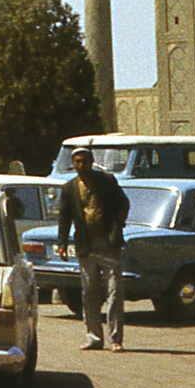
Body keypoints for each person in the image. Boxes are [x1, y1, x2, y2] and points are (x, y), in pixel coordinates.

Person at [57, 145, 131, 352]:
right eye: (77, 162)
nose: (81, 165)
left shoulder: (107, 181)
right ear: (73, 164)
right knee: (89, 292)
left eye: (85, 161)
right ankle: (94, 337)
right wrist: (62, 244)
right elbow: (64, 217)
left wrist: (117, 226)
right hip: (86, 246)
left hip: (108, 244)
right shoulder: (69, 188)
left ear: (91, 162)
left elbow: (123, 204)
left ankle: (116, 339)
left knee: (114, 291)